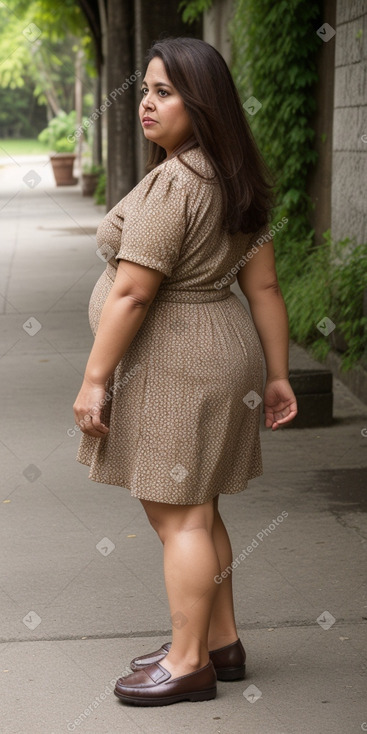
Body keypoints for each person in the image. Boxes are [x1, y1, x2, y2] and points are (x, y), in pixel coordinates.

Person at [73, 36, 297, 707]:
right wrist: (279, 375)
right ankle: (220, 642)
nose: (147, 102)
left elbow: (135, 292)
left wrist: (92, 378)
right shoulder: (232, 177)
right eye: (145, 89)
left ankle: (188, 661)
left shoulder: (177, 181)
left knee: (180, 521)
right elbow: (263, 290)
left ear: (203, 103)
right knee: (200, 507)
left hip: (176, 364)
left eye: (164, 92)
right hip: (222, 354)